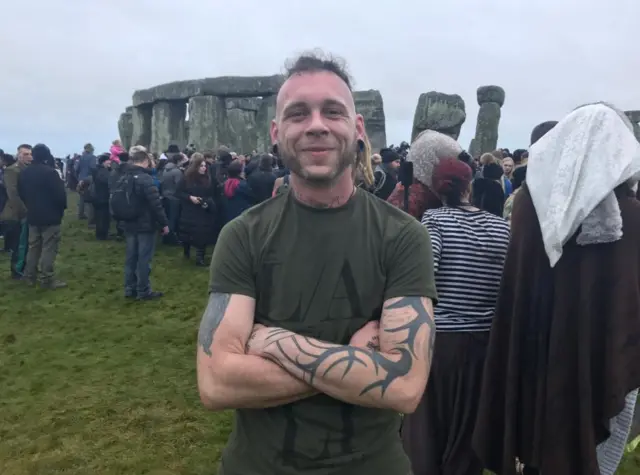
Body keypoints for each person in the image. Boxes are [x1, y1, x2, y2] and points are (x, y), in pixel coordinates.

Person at [196, 52, 437, 475]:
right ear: (276, 132)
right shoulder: (243, 235)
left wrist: (272, 344)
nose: (316, 125)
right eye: (297, 113)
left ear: (357, 128)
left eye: (332, 111)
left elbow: (403, 386)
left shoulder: (402, 236)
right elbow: (217, 382)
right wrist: (352, 358)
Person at [473, 103, 640, 475]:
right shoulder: (630, 216)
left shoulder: (531, 205)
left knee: (539, 445)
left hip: (535, 348)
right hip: (601, 356)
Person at [401, 158, 510, 475]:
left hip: (442, 340)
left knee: (428, 428)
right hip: (486, 343)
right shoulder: (501, 227)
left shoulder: (433, 221)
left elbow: (425, 276)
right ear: (469, 187)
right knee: (469, 428)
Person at [121, 150, 169, 300]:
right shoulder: (145, 179)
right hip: (145, 223)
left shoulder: (123, 177)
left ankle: (130, 288)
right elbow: (156, 204)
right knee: (143, 258)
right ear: (145, 161)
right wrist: (164, 223)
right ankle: (143, 290)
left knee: (131, 257)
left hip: (129, 222)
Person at [17, 144, 67, 288]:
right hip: (50, 216)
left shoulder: (25, 172)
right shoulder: (50, 173)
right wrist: (60, 211)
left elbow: (21, 193)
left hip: (33, 214)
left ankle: (29, 276)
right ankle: (47, 279)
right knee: (48, 248)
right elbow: (60, 196)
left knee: (33, 248)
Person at [1, 144, 32, 279]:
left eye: (30, 154)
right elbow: (12, 193)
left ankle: (24, 268)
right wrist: (24, 211)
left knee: (25, 243)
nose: (28, 157)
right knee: (18, 244)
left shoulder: (29, 169)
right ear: (18, 154)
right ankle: (16, 271)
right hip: (15, 213)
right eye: (25, 154)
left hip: (28, 211)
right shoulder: (12, 170)